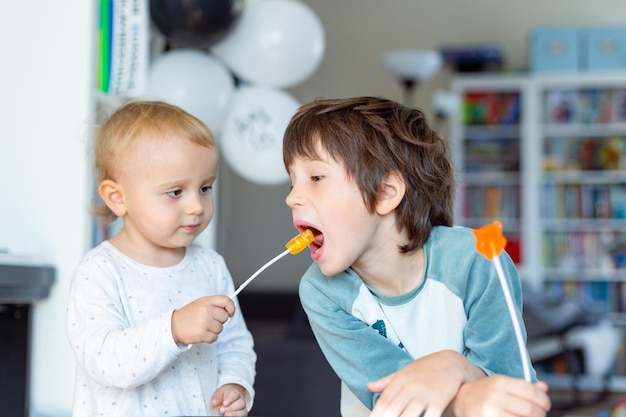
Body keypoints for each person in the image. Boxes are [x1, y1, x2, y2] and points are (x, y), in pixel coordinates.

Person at [282, 96, 551, 417]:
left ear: (385, 192)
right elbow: (392, 400)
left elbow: (513, 395)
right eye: (292, 180)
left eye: (315, 178)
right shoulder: (321, 291)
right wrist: (461, 385)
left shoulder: (477, 259)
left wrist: (453, 368)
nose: (292, 197)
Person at [67, 100, 256, 417]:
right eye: (175, 192)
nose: (196, 206)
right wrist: (173, 330)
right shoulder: (99, 271)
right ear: (118, 197)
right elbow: (104, 360)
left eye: (205, 187)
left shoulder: (210, 266)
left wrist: (235, 384)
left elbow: (235, 344)